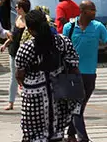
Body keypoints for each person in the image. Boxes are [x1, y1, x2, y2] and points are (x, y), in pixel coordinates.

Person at [16, 9, 82, 142]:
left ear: (29, 30)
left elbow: (19, 74)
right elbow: (74, 67)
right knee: (57, 133)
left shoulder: (26, 48)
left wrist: (25, 84)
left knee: (33, 135)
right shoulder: (63, 42)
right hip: (60, 96)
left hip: (34, 99)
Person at [63, 0, 107, 142]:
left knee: (79, 106)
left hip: (90, 74)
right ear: (83, 12)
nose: (95, 12)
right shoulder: (69, 27)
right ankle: (83, 138)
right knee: (77, 107)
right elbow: (62, 48)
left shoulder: (98, 27)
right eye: (92, 10)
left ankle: (71, 134)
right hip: (72, 74)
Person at [3, 0, 30, 112]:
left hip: (24, 52)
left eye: (17, 7)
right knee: (13, 77)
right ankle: (11, 102)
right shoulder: (17, 18)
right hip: (13, 50)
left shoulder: (29, 21)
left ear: (22, 9)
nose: (16, 9)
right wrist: (5, 44)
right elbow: (13, 35)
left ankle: (27, 100)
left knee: (25, 77)